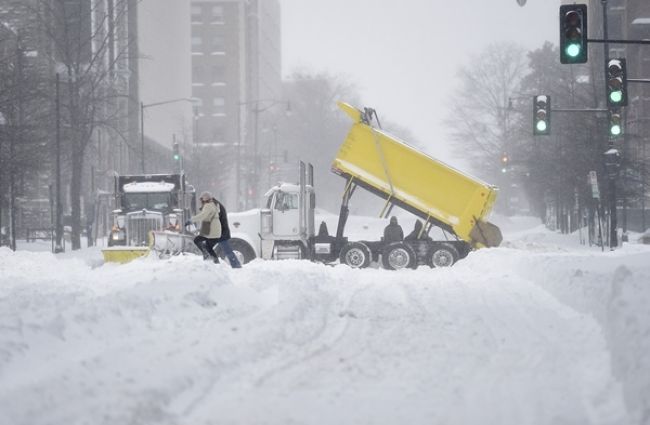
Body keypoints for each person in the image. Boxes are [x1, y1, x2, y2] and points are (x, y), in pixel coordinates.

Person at [185, 191, 241, 268]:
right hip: (219, 230)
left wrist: (192, 220)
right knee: (210, 247)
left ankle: (233, 264)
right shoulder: (215, 205)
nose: (201, 203)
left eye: (201, 200)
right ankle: (215, 262)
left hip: (221, 231)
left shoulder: (211, 205)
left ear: (205, 199)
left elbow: (206, 217)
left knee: (224, 249)